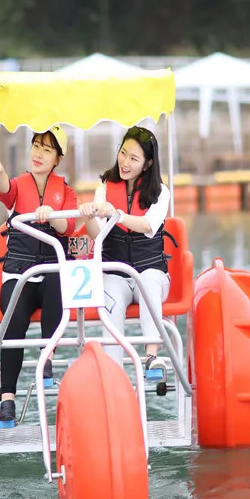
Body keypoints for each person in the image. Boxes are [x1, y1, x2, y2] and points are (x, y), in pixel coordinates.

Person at [0, 126, 77, 427]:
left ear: (57, 159)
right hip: (19, 271)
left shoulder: (66, 192)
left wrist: (51, 213)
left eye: (47, 149)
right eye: (36, 146)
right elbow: (4, 191)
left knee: (57, 285)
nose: (38, 153)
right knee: (13, 318)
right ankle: (8, 400)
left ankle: (47, 357)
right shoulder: (17, 186)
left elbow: (67, 228)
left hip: (51, 267)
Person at [78, 126, 173, 377]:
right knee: (110, 295)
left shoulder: (161, 194)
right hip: (116, 274)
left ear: (148, 163)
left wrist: (117, 215)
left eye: (134, 158)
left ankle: (152, 355)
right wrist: (88, 215)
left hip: (150, 273)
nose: (125, 162)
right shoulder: (105, 188)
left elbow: (148, 225)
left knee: (149, 280)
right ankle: (112, 372)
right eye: (123, 153)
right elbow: (97, 234)